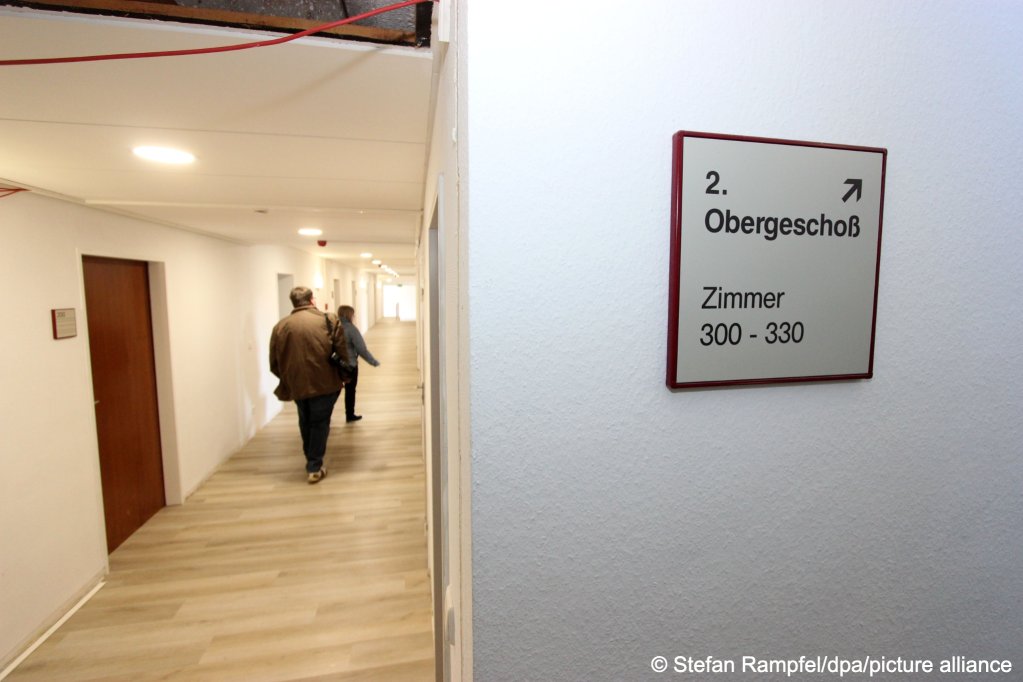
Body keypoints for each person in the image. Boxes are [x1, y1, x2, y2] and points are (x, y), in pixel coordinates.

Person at [269, 287, 349, 483]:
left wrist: (288, 378)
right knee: (320, 422)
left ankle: (312, 460)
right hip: (325, 382)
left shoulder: (281, 326)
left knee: (305, 420)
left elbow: (274, 361)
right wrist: (345, 375)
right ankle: (314, 466)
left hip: (297, 384)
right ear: (312, 300)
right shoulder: (328, 320)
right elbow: (341, 349)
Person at [336, 305, 380, 422]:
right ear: (349, 315)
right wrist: (373, 361)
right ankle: (349, 415)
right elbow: (361, 349)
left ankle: (325, 417)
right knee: (350, 390)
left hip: (335, 364)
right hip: (350, 365)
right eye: (353, 314)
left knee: (334, 391)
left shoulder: (333, 327)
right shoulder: (351, 329)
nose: (354, 317)